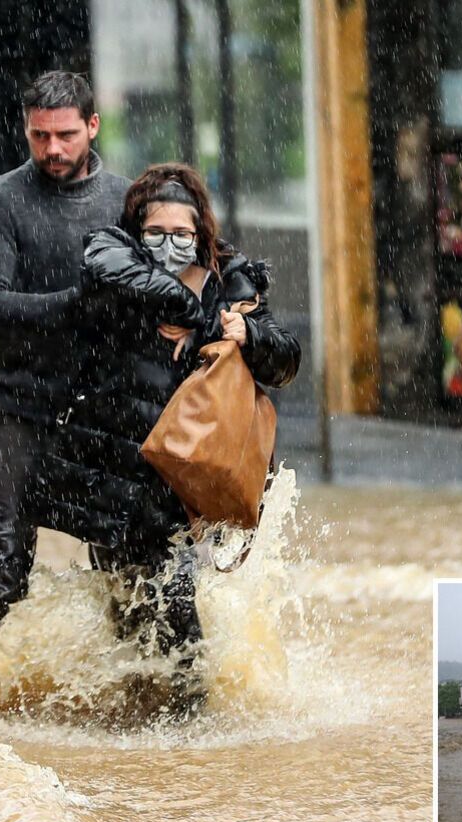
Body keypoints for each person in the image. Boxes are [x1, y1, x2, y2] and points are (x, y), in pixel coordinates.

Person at [38, 163, 299, 704]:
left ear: (201, 233)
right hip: (116, 471)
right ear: (138, 231)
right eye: (156, 233)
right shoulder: (116, 268)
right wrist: (174, 302)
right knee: (124, 608)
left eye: (182, 235)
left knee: (177, 601)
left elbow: (285, 361)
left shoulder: (233, 283)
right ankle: (139, 726)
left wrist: (244, 332)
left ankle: (190, 730)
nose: (169, 245)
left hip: (183, 484)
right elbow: (104, 264)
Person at [0, 71, 132, 655]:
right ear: (26, 129)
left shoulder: (128, 201)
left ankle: (156, 707)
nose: (53, 149)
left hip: (105, 409)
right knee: (0, 567)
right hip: (13, 406)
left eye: (66, 135)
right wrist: (79, 304)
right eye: (40, 135)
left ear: (92, 127)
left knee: (136, 567)